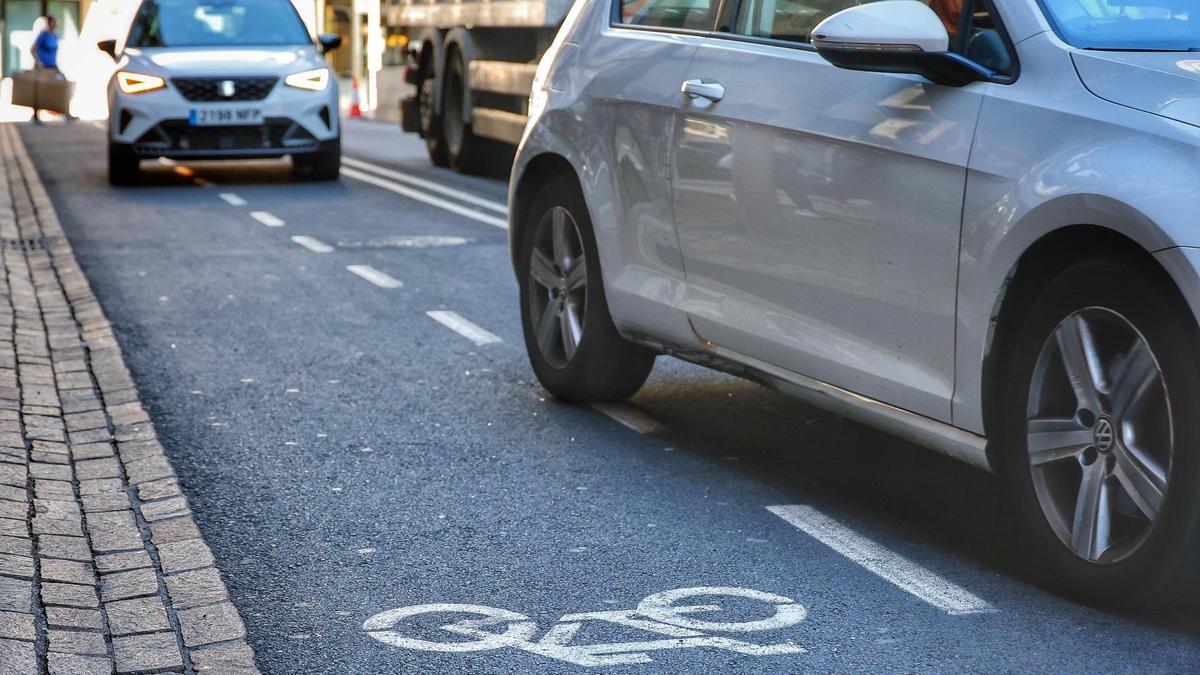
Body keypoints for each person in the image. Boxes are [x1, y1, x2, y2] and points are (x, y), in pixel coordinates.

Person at [30, 15, 71, 124]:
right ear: (49, 23)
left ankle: (66, 113)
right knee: (40, 90)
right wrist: (38, 62)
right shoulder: (43, 35)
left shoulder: (55, 36)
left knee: (63, 85)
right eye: (53, 22)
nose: (55, 24)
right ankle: (35, 115)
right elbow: (32, 49)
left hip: (53, 66)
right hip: (43, 68)